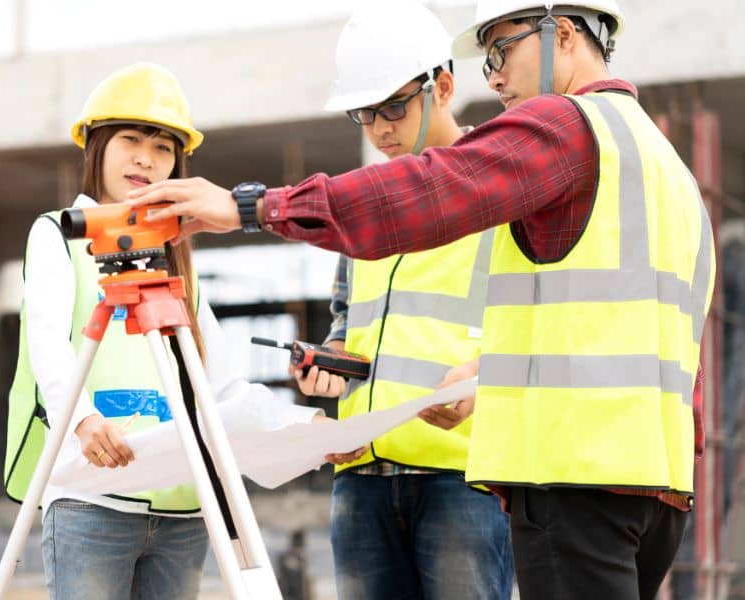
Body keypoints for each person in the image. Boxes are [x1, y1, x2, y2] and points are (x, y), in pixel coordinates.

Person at [128, 1, 717, 598]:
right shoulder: (667, 167)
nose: (494, 76)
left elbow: (435, 187)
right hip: (652, 481)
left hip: (568, 472)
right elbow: (619, 328)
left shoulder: (569, 128)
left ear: (562, 34)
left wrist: (253, 207)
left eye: (501, 50)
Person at [2, 62, 323, 600]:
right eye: (130, 139)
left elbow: (220, 387)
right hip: (93, 493)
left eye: (163, 148)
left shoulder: (177, 262)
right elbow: (47, 349)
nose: (145, 158)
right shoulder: (58, 235)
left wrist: (306, 429)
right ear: (96, 146)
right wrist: (82, 422)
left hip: (182, 505)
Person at [294, 3, 512, 599]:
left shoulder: (497, 193)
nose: (379, 128)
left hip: (461, 479)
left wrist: (481, 377)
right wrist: (328, 362)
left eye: (393, 106)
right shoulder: (364, 206)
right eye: (364, 112)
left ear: (443, 86)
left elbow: (535, 327)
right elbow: (348, 321)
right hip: (360, 475)